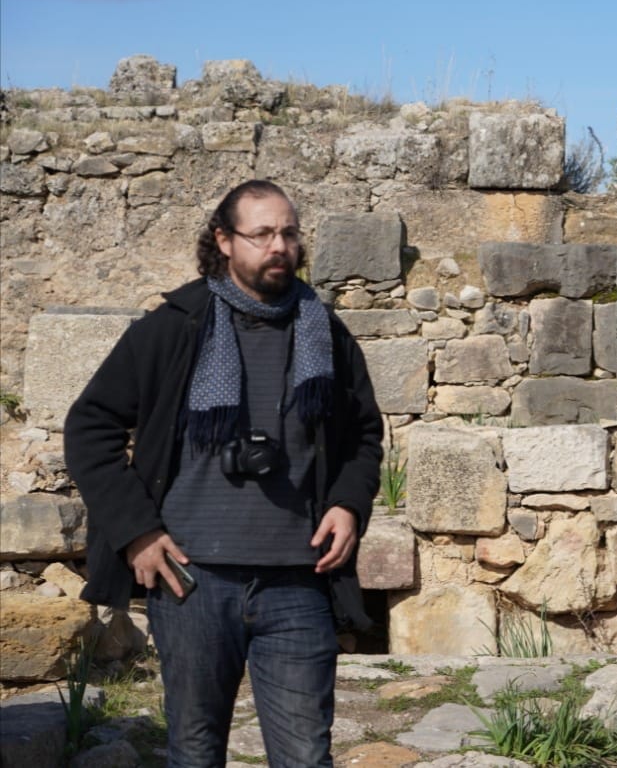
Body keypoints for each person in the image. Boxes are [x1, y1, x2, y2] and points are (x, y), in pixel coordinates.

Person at [64, 179, 383, 767]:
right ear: (224, 240)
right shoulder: (173, 328)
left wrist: (348, 503)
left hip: (300, 581)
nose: (279, 246)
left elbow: (364, 435)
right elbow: (90, 428)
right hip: (193, 581)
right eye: (261, 234)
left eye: (288, 233)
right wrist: (137, 532)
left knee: (306, 757)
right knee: (194, 752)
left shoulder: (326, 332)